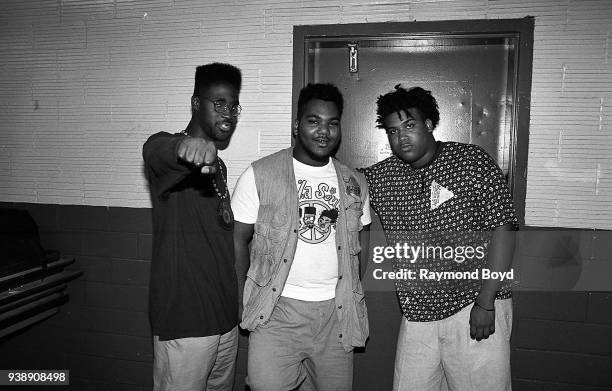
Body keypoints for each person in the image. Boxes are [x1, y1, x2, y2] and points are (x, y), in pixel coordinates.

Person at [360, 85, 517, 391]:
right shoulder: (382, 177)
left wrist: (486, 303)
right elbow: (340, 181)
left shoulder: (471, 161)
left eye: (409, 125)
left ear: (429, 124)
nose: (401, 137)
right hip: (418, 313)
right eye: (392, 131)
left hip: (474, 305)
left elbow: (504, 228)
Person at [232, 83, 371, 391]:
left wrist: (349, 290)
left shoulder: (354, 182)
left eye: (332, 123)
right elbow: (236, 240)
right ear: (297, 125)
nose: (324, 131)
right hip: (276, 313)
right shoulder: (260, 174)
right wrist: (241, 295)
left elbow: (361, 244)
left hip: (335, 316)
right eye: (314, 121)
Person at [142, 62, 242, 391]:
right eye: (219, 103)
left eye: (233, 104)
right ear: (196, 104)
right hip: (185, 324)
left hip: (225, 322)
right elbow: (155, 151)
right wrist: (186, 150)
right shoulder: (172, 152)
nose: (228, 112)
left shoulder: (220, 166)